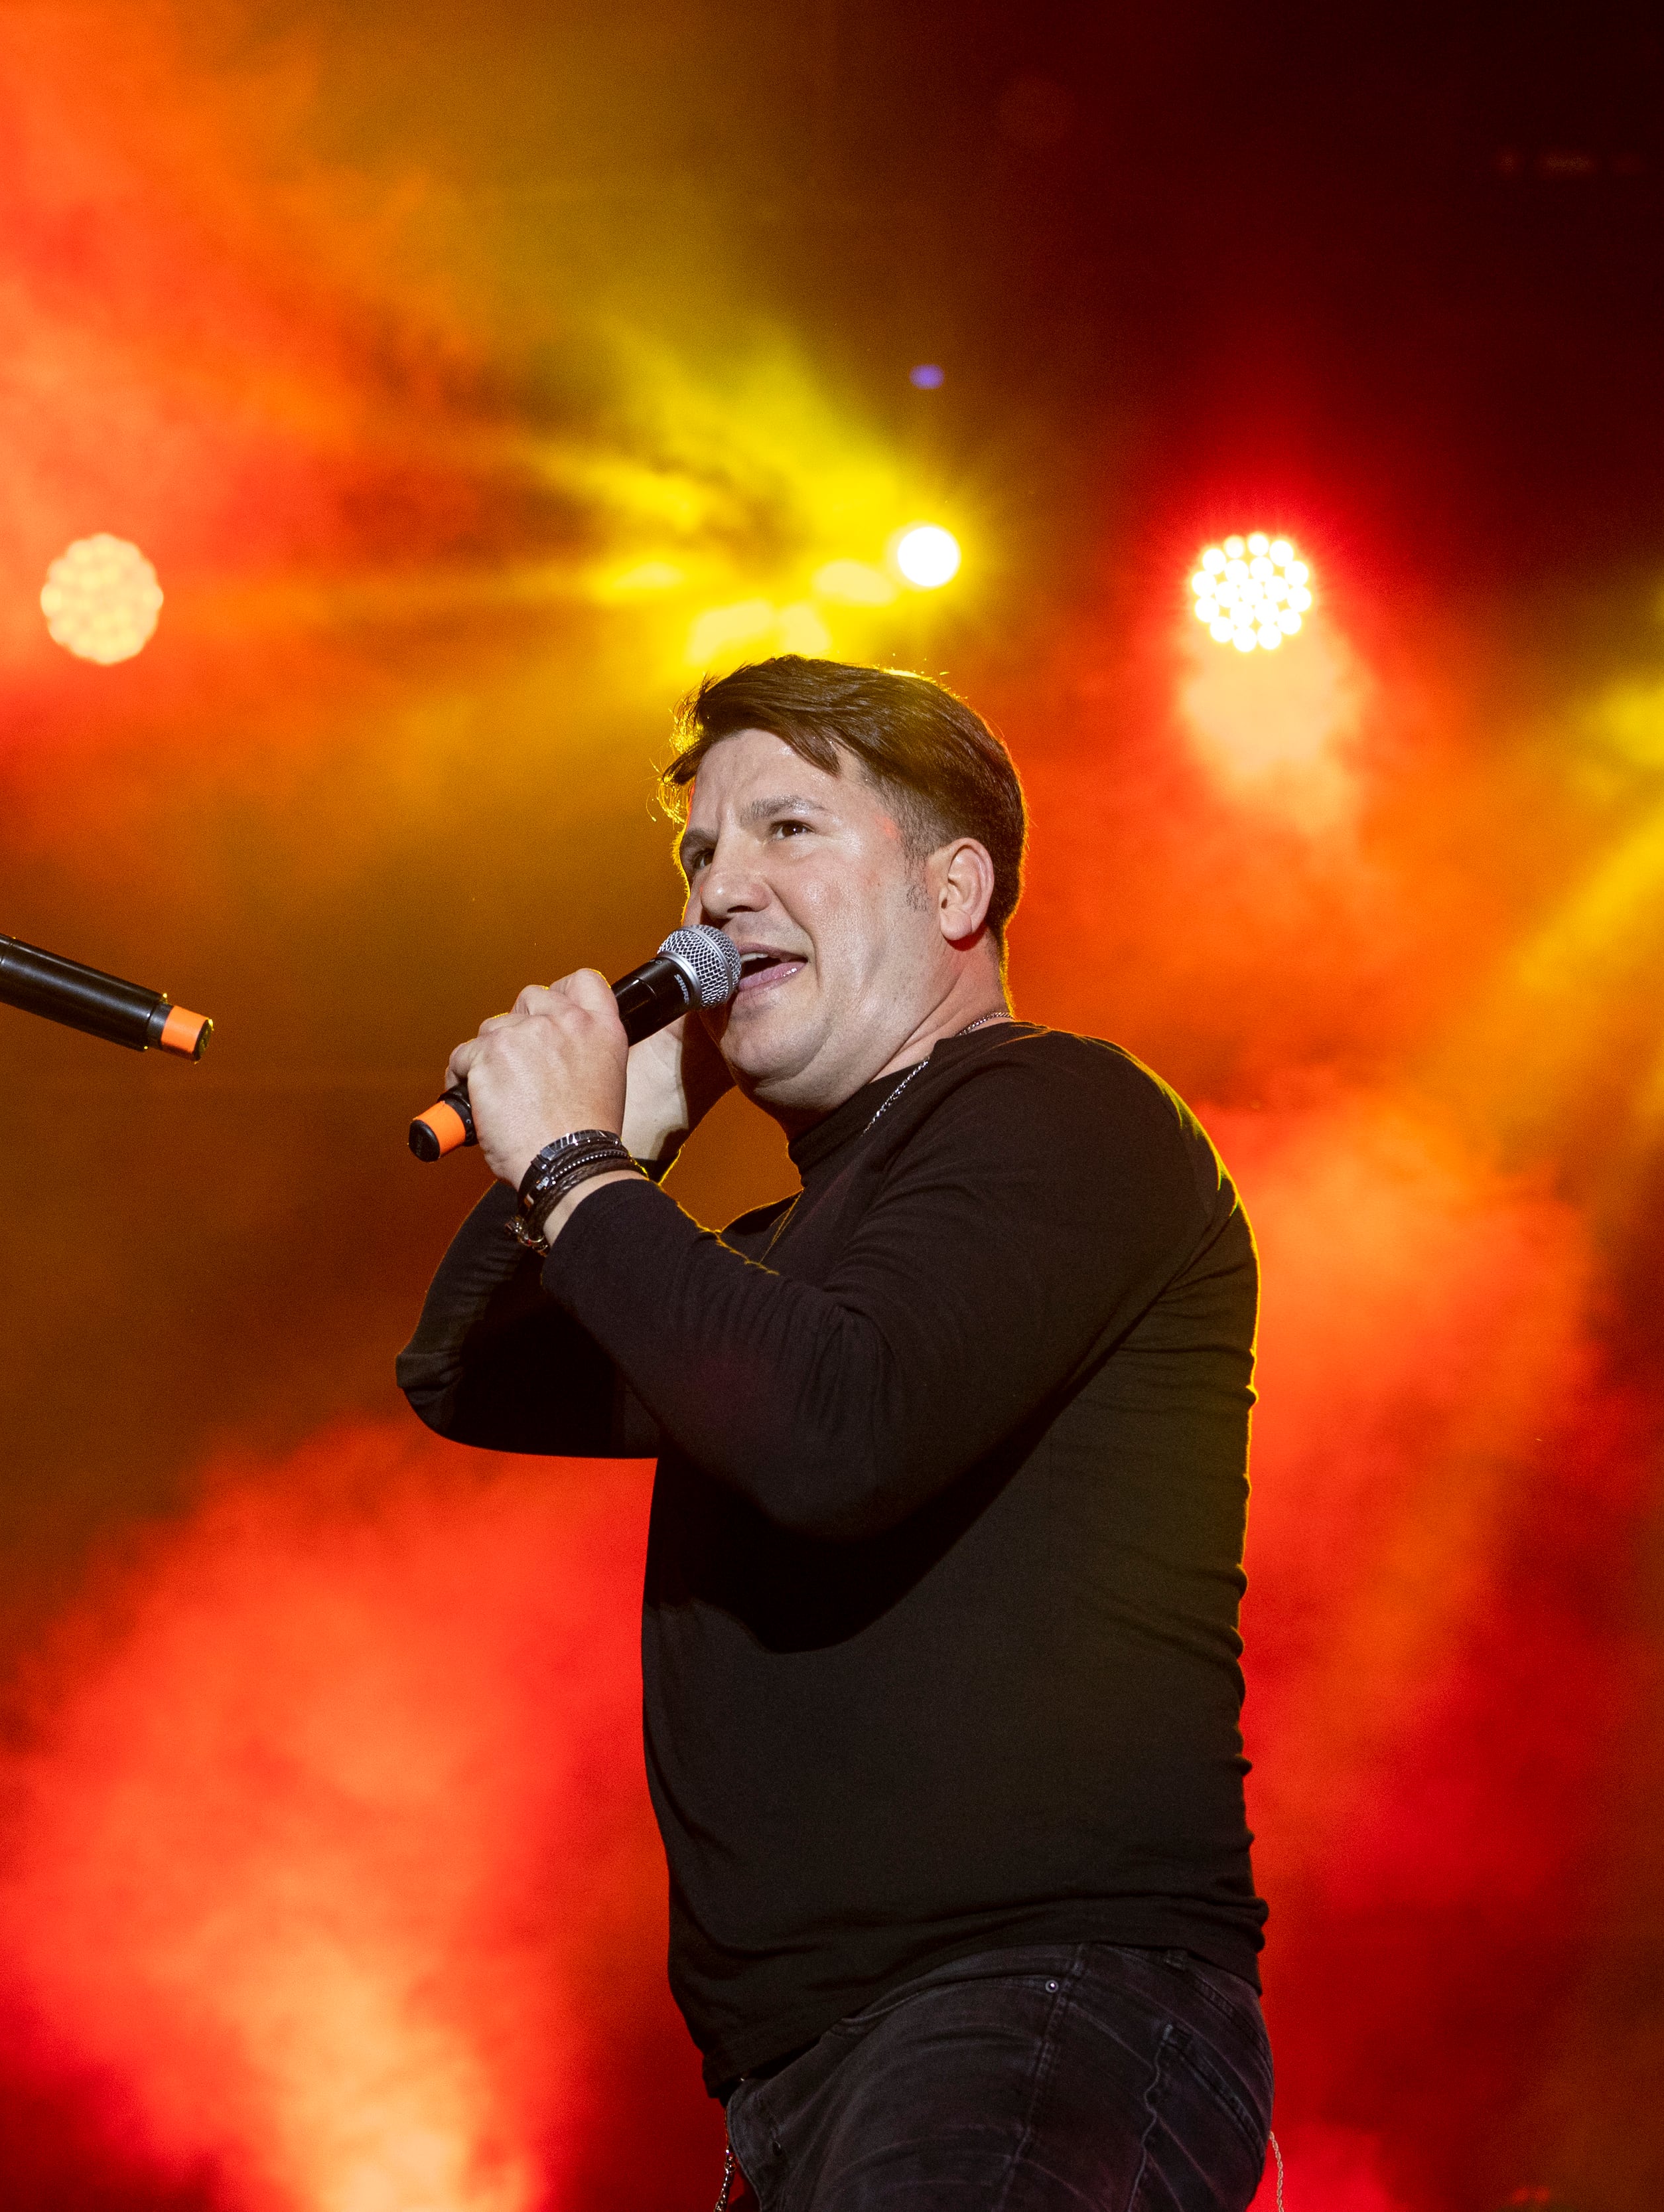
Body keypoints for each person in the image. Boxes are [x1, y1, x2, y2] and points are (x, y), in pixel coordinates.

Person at [397, 656, 1271, 2209]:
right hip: (809, 2075)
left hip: (1032, 2009)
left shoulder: (1066, 1117)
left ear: (954, 888)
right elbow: (469, 1374)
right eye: (699, 854)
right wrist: (633, 1147)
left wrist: (585, 1165)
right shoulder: (786, 1253)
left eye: (787, 829)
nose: (719, 892)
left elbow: (831, 1434)